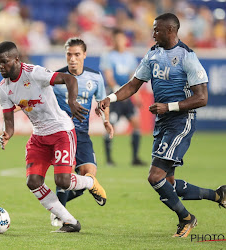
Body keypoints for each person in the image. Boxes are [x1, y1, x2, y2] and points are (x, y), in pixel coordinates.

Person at [96, 13, 226, 238]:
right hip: (163, 122)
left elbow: (202, 97)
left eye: (157, 29)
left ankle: (186, 218)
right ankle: (218, 195)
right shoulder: (153, 54)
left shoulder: (187, 57)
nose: (153, 33)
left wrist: (170, 107)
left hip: (180, 121)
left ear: (171, 31)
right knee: (168, 183)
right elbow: (134, 84)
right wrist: (111, 98)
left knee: (154, 176)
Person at [0, 41, 107, 233]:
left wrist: (72, 101)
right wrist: (7, 134)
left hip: (61, 131)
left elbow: (69, 79)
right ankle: (70, 221)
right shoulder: (4, 88)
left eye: (4, 62)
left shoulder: (33, 73)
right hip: (39, 137)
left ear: (16, 59)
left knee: (63, 181)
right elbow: (9, 122)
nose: (0, 67)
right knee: (33, 182)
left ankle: (89, 182)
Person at [51, 38, 114, 226]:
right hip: (62, 133)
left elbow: (102, 101)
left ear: (84, 55)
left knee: (88, 178)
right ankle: (60, 217)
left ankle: (56, 207)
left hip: (82, 134)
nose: (72, 59)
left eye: (77, 54)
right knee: (65, 177)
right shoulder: (56, 77)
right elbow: (39, 99)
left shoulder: (95, 77)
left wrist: (106, 121)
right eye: (69, 54)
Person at [99, 28, 145, 166]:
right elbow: (109, 77)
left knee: (136, 123)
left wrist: (136, 96)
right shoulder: (108, 56)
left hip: (126, 96)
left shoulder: (129, 57)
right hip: (114, 96)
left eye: (121, 39)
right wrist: (117, 93)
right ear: (113, 40)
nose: (119, 41)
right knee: (110, 124)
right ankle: (108, 159)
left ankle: (135, 158)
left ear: (125, 40)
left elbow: (133, 79)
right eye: (117, 39)